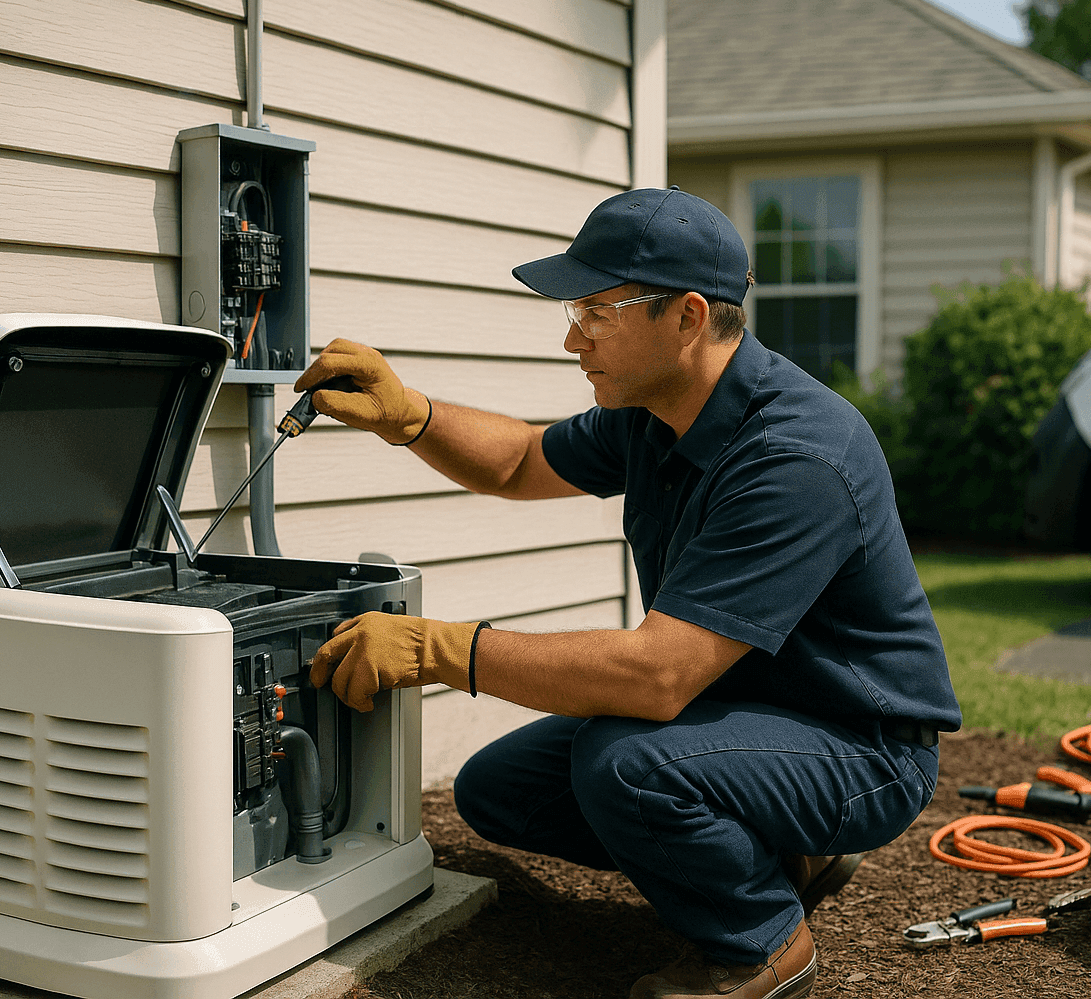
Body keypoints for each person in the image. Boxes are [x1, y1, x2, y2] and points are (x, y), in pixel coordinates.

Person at [298, 187, 961, 999]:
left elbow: (657, 676)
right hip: (739, 710)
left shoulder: (796, 457)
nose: (573, 338)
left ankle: (760, 942)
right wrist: (408, 415)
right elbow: (517, 461)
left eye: (596, 311)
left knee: (627, 766)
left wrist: (436, 648)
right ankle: (786, 849)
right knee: (499, 792)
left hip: (860, 744)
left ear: (686, 317)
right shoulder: (657, 411)